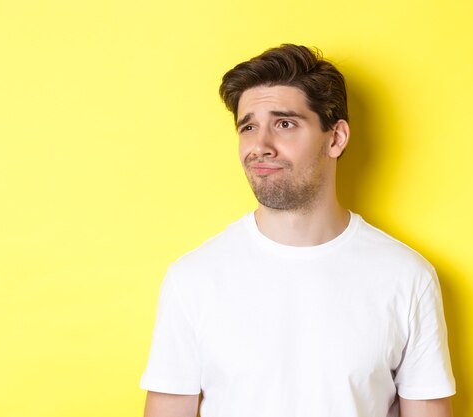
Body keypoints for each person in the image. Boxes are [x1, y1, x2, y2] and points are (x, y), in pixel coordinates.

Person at [140, 44, 455, 417]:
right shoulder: (192, 279)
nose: (260, 146)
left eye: (285, 124)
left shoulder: (406, 277)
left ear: (336, 138)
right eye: (248, 127)